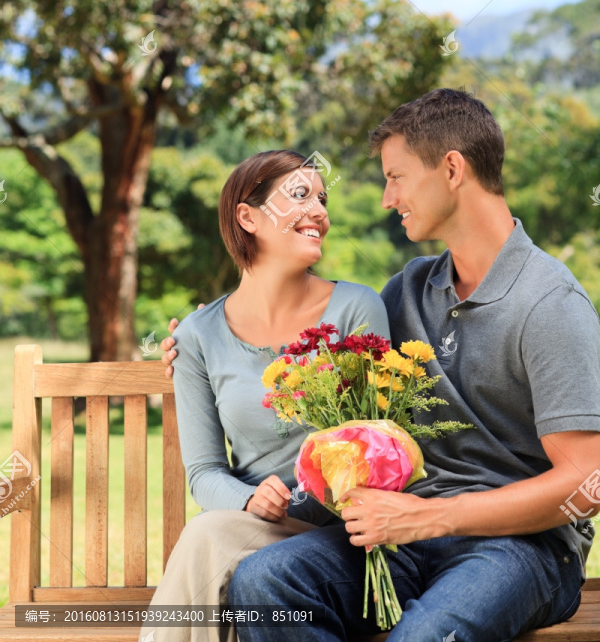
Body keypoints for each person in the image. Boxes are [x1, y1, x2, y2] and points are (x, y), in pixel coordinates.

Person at [218, 88, 600, 642]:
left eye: (395, 177)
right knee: (263, 588)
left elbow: (587, 481)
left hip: (522, 550)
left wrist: (436, 517)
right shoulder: (410, 290)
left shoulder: (549, 304)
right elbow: (312, 340)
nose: (385, 197)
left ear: (451, 169)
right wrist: (208, 335)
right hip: (404, 539)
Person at [139, 149, 390, 642]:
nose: (320, 211)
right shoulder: (196, 335)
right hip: (251, 531)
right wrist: (250, 498)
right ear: (247, 216)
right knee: (216, 540)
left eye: (322, 198)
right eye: (301, 196)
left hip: (342, 541)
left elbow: (376, 450)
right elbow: (205, 472)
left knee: (209, 537)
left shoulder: (357, 310)